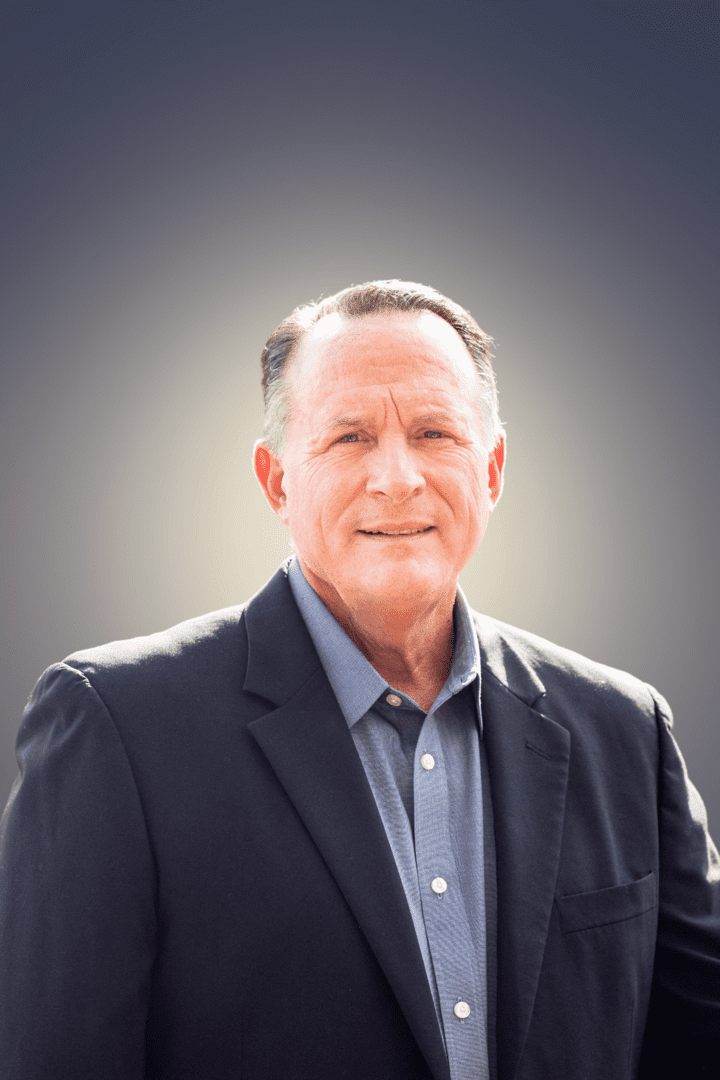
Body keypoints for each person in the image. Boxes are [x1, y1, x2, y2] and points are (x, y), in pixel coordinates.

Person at [0, 280, 717, 1080]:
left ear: (495, 468)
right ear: (276, 481)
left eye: (435, 431)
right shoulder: (115, 728)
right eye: (349, 438)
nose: (397, 477)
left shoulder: (623, 729)